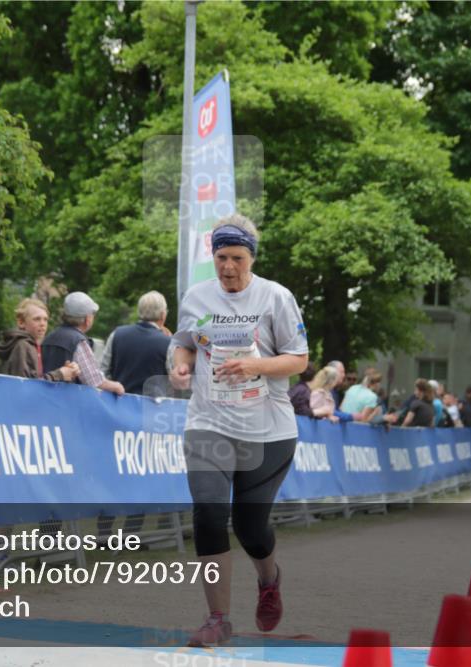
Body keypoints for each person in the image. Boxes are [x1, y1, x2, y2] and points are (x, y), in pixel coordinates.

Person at [168, 214, 308, 647]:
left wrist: (255, 365)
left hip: (268, 428)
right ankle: (217, 617)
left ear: (252, 257)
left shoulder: (275, 298)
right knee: (209, 513)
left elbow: (299, 359)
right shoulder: (197, 296)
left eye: (237, 258)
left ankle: (269, 578)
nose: (228, 267)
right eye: (221, 257)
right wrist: (180, 364)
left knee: (250, 528)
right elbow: (184, 340)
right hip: (209, 422)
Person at [41, 291, 125, 396]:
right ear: (87, 319)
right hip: (67, 403)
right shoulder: (78, 341)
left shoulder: (49, 337)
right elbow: (95, 382)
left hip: (45, 399)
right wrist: (117, 387)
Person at [100, 291, 172, 396]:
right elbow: (174, 380)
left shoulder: (117, 334)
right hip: (153, 409)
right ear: (163, 315)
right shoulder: (167, 343)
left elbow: (103, 371)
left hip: (118, 404)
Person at [0, 298, 79, 382]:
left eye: (45, 319)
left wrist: (67, 373)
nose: (42, 324)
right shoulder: (22, 346)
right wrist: (59, 374)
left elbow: (36, 379)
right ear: (21, 323)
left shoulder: (33, 345)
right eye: (37, 319)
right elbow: (24, 385)